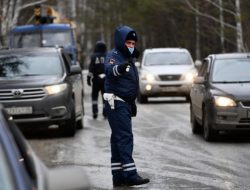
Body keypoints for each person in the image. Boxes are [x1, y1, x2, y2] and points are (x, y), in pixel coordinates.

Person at [104, 25, 150, 187]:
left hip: (123, 102)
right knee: (124, 137)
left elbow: (129, 83)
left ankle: (118, 175)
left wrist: (131, 102)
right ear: (120, 42)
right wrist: (120, 68)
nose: (131, 46)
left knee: (117, 139)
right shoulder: (114, 55)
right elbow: (110, 70)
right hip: (116, 102)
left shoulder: (127, 57)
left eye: (133, 43)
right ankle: (130, 174)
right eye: (128, 42)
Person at [87, 41, 107, 119]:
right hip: (105, 79)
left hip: (96, 79)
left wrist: (88, 79)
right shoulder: (107, 56)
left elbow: (91, 68)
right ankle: (105, 113)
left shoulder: (93, 57)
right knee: (105, 97)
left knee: (94, 96)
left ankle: (95, 112)